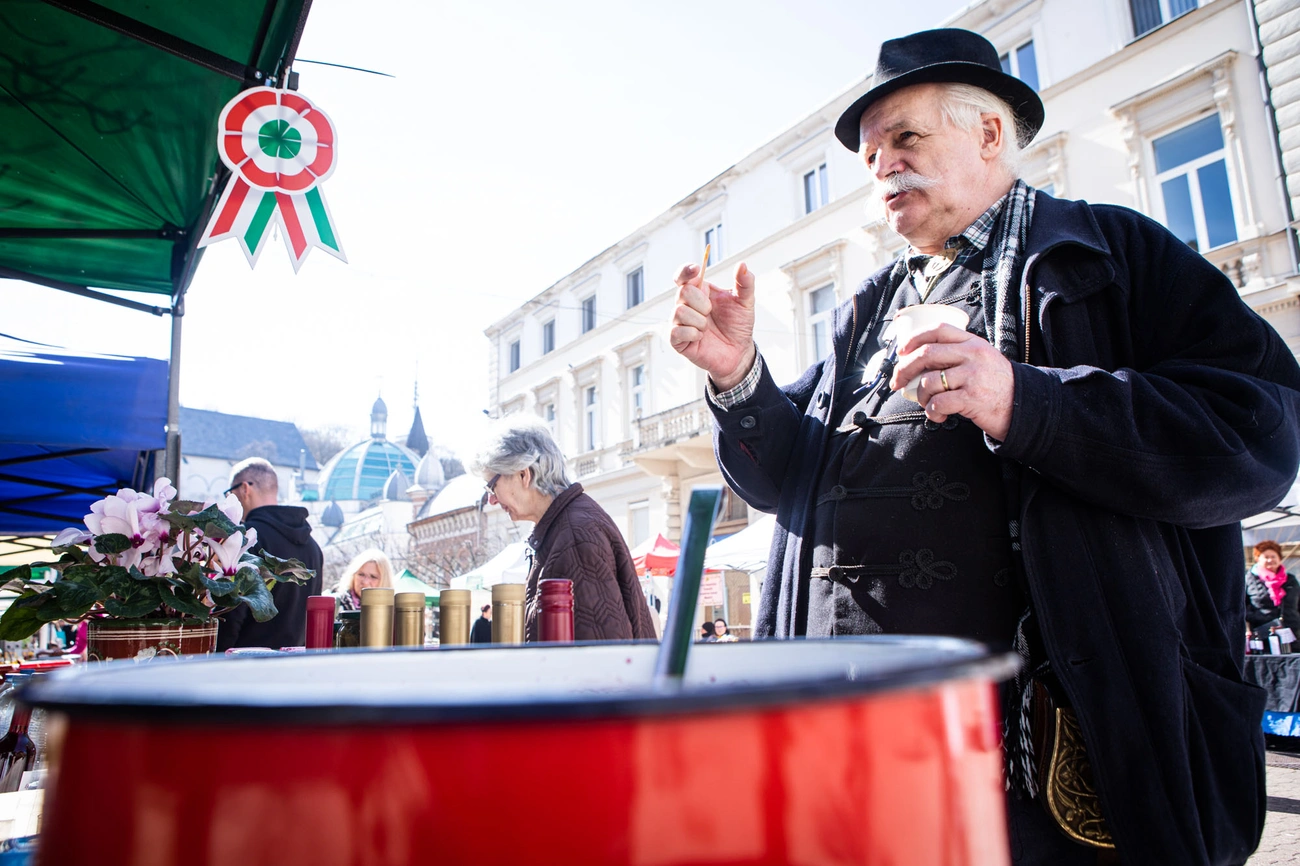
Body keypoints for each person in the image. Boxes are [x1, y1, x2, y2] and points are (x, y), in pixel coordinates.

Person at [668, 27, 1300, 865]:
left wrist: (1028, 402)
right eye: (870, 155)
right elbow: (793, 478)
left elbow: (1259, 432)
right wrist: (739, 374)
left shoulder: (1114, 254)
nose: (883, 167)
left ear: (989, 134)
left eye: (905, 138)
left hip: (1044, 763)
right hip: (861, 753)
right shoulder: (870, 304)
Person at [473, 421, 656, 642]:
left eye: (491, 486)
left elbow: (601, 660)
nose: (491, 499)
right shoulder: (566, 526)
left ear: (523, 474)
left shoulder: (575, 536)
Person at [217, 457, 324, 650]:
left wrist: (215, 658)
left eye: (230, 492)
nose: (229, 499)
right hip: (294, 667)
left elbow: (232, 613)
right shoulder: (313, 547)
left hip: (244, 668)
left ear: (244, 489)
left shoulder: (247, 538)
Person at [1246, 540, 1300, 645]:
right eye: (1266, 557)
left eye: (1273, 556)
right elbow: (1241, 608)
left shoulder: (1291, 580)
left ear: (1279, 558)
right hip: (1262, 635)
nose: (1270, 560)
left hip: (1292, 633)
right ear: (1257, 559)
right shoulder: (1249, 580)